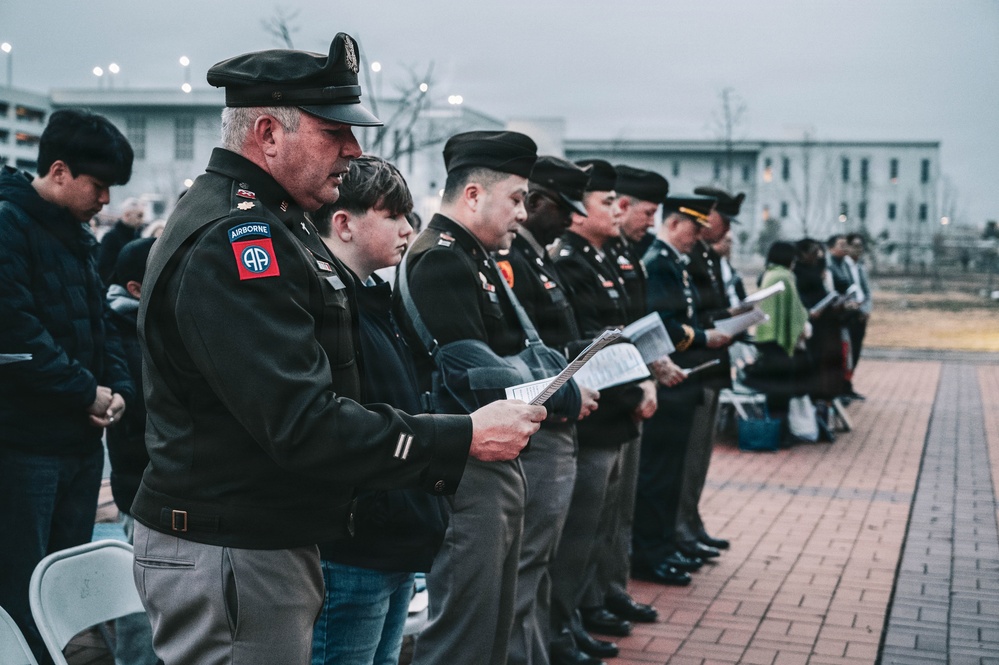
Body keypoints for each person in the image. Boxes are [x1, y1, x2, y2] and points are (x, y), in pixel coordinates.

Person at [131, 37, 544, 665]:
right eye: (335, 134)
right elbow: (301, 421)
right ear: (268, 133)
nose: (353, 152)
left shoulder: (274, 223)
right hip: (233, 545)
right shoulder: (236, 240)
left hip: (258, 536)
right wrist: (459, 438)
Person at [396, 130, 582, 665]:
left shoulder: (472, 257)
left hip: (487, 453)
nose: (522, 213)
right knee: (464, 633)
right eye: (517, 198)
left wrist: (540, 376)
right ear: (473, 194)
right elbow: (474, 373)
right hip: (464, 461)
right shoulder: (441, 259)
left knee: (493, 623)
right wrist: (558, 392)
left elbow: (512, 353)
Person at [0, 108, 135, 665]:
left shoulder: (76, 233)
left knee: (65, 590)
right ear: (59, 171)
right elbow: (15, 338)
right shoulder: (8, 225)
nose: (105, 200)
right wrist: (89, 392)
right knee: (21, 591)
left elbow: (98, 320)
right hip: (24, 449)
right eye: (98, 186)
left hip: (78, 446)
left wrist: (117, 385)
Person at [310, 155, 445, 665]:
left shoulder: (373, 298)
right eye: (393, 215)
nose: (409, 229)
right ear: (343, 224)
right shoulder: (329, 307)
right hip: (353, 547)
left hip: (392, 536)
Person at [549, 159, 660, 664]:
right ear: (576, 214)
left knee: (607, 522)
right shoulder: (571, 259)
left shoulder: (606, 255)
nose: (618, 211)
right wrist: (634, 388)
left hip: (616, 408)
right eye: (605, 202)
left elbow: (625, 330)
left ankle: (590, 605)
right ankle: (569, 621)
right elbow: (591, 342)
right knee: (578, 535)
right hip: (598, 413)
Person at [496, 155, 600, 665]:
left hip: (558, 416)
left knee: (542, 560)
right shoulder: (515, 260)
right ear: (538, 203)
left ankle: (541, 646)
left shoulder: (538, 258)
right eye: (563, 209)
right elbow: (519, 352)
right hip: (539, 426)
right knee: (528, 561)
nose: (571, 219)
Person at [635, 196, 731, 586]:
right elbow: (664, 324)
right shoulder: (659, 263)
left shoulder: (675, 262)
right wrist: (705, 337)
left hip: (685, 380)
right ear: (674, 224)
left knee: (672, 474)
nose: (698, 236)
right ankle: (651, 551)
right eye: (693, 228)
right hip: (670, 379)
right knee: (658, 475)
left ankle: (665, 544)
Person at [671, 185, 745, 561]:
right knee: (686, 459)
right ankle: (681, 528)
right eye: (724, 218)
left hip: (713, 365)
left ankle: (690, 521)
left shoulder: (712, 257)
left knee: (699, 458)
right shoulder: (692, 256)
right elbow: (692, 314)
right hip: (696, 363)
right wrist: (721, 322)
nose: (727, 228)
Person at [104, 237, 162, 665]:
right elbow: (135, 416)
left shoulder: (161, 324)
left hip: (163, 486)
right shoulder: (121, 332)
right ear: (136, 288)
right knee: (140, 603)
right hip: (139, 486)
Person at [749, 241, 811, 441]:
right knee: (782, 390)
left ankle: (774, 432)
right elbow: (796, 313)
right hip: (780, 341)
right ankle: (782, 433)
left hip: (767, 338)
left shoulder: (769, 274)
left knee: (773, 391)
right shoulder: (784, 276)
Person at [844, 232, 872, 389]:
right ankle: (844, 384)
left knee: (856, 350)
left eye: (861, 246)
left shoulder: (860, 266)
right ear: (848, 247)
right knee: (848, 351)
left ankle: (849, 383)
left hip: (862, 312)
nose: (858, 249)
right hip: (850, 313)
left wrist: (866, 309)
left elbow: (867, 292)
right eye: (855, 246)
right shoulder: (843, 265)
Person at [97, 197, 145, 283]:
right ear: (127, 215)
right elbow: (105, 271)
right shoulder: (111, 238)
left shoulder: (137, 236)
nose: (142, 220)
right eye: (139, 216)